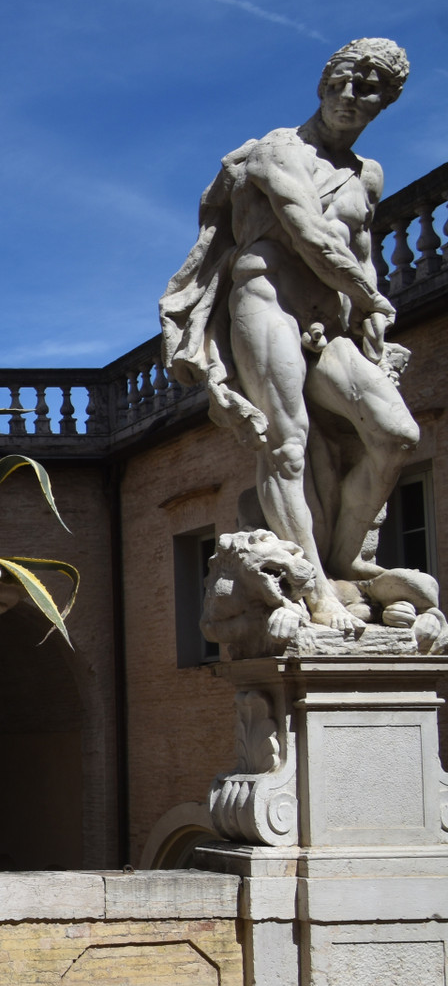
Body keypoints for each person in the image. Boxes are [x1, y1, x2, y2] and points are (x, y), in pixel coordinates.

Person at [160, 38, 417, 634]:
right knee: (285, 443)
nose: (351, 94)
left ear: (384, 102)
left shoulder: (367, 175)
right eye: (343, 80)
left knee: (396, 434)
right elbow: (310, 234)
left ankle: (346, 560)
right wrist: (374, 297)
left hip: (330, 321)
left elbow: (359, 250)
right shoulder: (278, 149)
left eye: (369, 88)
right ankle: (317, 591)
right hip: (267, 298)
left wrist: (371, 315)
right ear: (324, 83)